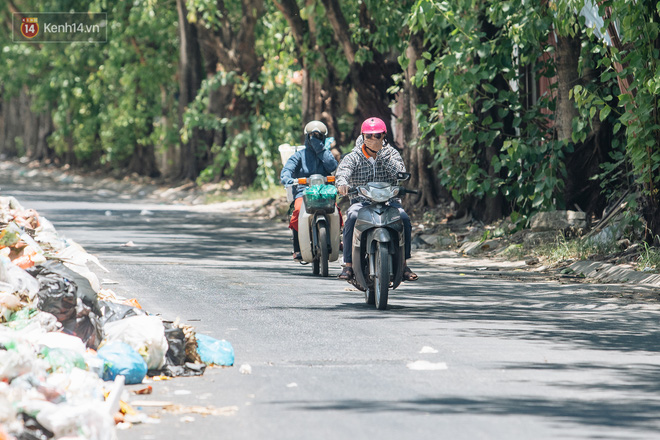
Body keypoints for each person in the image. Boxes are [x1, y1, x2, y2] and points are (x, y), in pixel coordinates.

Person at [335, 117, 418, 281]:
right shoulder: (354, 155)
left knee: (403, 218)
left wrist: (381, 154)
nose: (373, 139)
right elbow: (343, 170)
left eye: (377, 135)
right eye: (369, 136)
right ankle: (349, 265)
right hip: (361, 202)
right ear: (363, 136)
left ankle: (404, 264)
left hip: (389, 202)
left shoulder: (391, 153)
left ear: (384, 136)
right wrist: (342, 183)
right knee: (351, 216)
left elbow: (400, 173)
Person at [280, 120, 338, 262]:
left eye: (319, 136)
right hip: (304, 191)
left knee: (336, 211)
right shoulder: (299, 155)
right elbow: (287, 170)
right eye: (312, 136)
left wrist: (321, 150)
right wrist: (287, 178)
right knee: (298, 210)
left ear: (324, 138)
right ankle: (298, 248)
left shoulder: (327, 154)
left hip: (324, 191)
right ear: (307, 137)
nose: (315, 139)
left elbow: (333, 166)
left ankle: (337, 238)